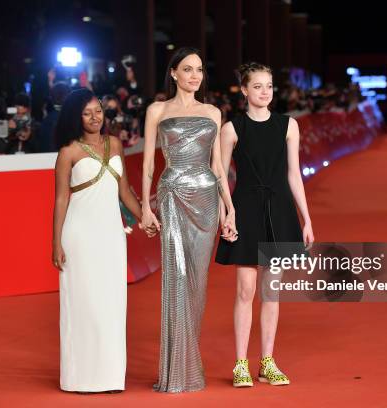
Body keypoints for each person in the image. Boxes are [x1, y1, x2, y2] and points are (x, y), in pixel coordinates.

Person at [141, 47, 238, 393]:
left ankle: (186, 361)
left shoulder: (213, 111)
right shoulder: (157, 110)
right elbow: (150, 165)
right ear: (173, 74)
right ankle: (177, 371)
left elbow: (218, 167)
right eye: (187, 69)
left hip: (206, 199)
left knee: (198, 282)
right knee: (177, 276)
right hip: (171, 195)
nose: (195, 76)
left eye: (199, 70)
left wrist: (229, 208)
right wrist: (145, 207)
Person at [215, 62, 315, 387]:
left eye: (269, 86)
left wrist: (306, 218)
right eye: (257, 86)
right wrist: (225, 215)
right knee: (246, 289)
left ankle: (268, 362)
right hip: (244, 209)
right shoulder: (231, 129)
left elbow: (293, 175)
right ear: (244, 90)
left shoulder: (289, 126)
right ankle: (241, 363)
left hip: (280, 210)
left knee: (272, 291)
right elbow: (220, 178)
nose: (264, 92)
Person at [52, 88, 144, 393]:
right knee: (84, 305)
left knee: (112, 305)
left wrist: (147, 216)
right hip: (79, 235)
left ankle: (110, 377)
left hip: (112, 235)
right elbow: (61, 199)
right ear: (75, 117)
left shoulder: (115, 144)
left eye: (99, 111)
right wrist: (56, 243)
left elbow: (126, 192)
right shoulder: (69, 152)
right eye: (87, 112)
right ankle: (79, 377)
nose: (94, 117)